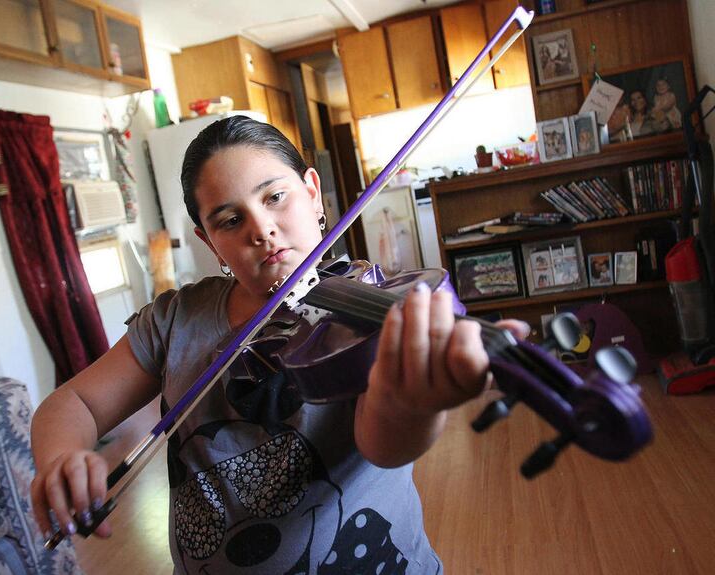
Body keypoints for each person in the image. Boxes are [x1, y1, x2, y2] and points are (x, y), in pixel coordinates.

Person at [30, 116, 529, 573]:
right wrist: (60, 458)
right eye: (230, 220)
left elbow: (382, 446)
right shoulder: (175, 318)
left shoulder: (370, 310)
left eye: (274, 197)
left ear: (313, 193)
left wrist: (411, 404)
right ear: (209, 242)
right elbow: (73, 402)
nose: (261, 230)